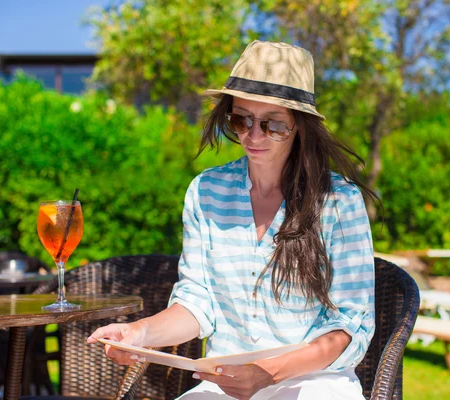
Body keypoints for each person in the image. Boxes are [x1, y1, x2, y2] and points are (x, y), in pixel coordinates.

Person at [88, 40, 378, 400]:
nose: (252, 136)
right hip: (222, 384)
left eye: (272, 125)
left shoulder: (338, 201)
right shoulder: (205, 192)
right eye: (241, 119)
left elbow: (351, 326)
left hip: (315, 383)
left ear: (300, 126)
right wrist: (138, 334)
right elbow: (197, 303)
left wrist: (268, 374)